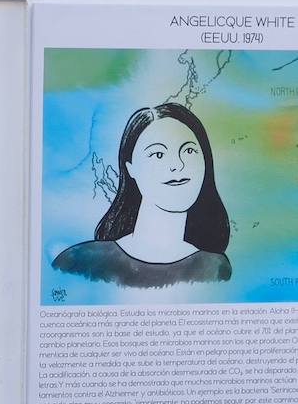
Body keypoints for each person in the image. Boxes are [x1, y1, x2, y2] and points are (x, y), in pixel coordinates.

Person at [52, 102, 231, 288]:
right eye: (158, 154)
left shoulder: (215, 269)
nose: (177, 165)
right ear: (131, 168)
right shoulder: (79, 262)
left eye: (188, 150)